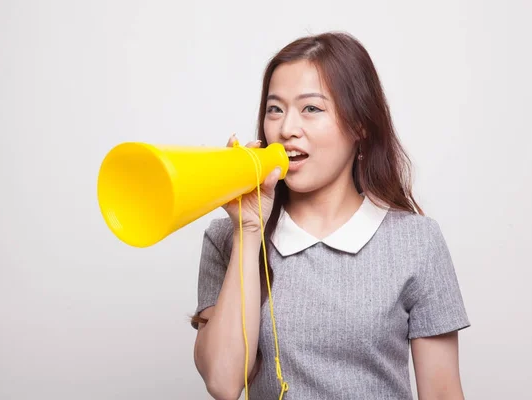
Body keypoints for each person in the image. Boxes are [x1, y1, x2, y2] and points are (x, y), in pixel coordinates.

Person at [190, 31, 470, 400]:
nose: (286, 129)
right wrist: (248, 230)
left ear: (359, 125)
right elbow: (223, 383)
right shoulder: (227, 238)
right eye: (275, 109)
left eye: (311, 108)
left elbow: (443, 394)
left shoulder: (417, 242)